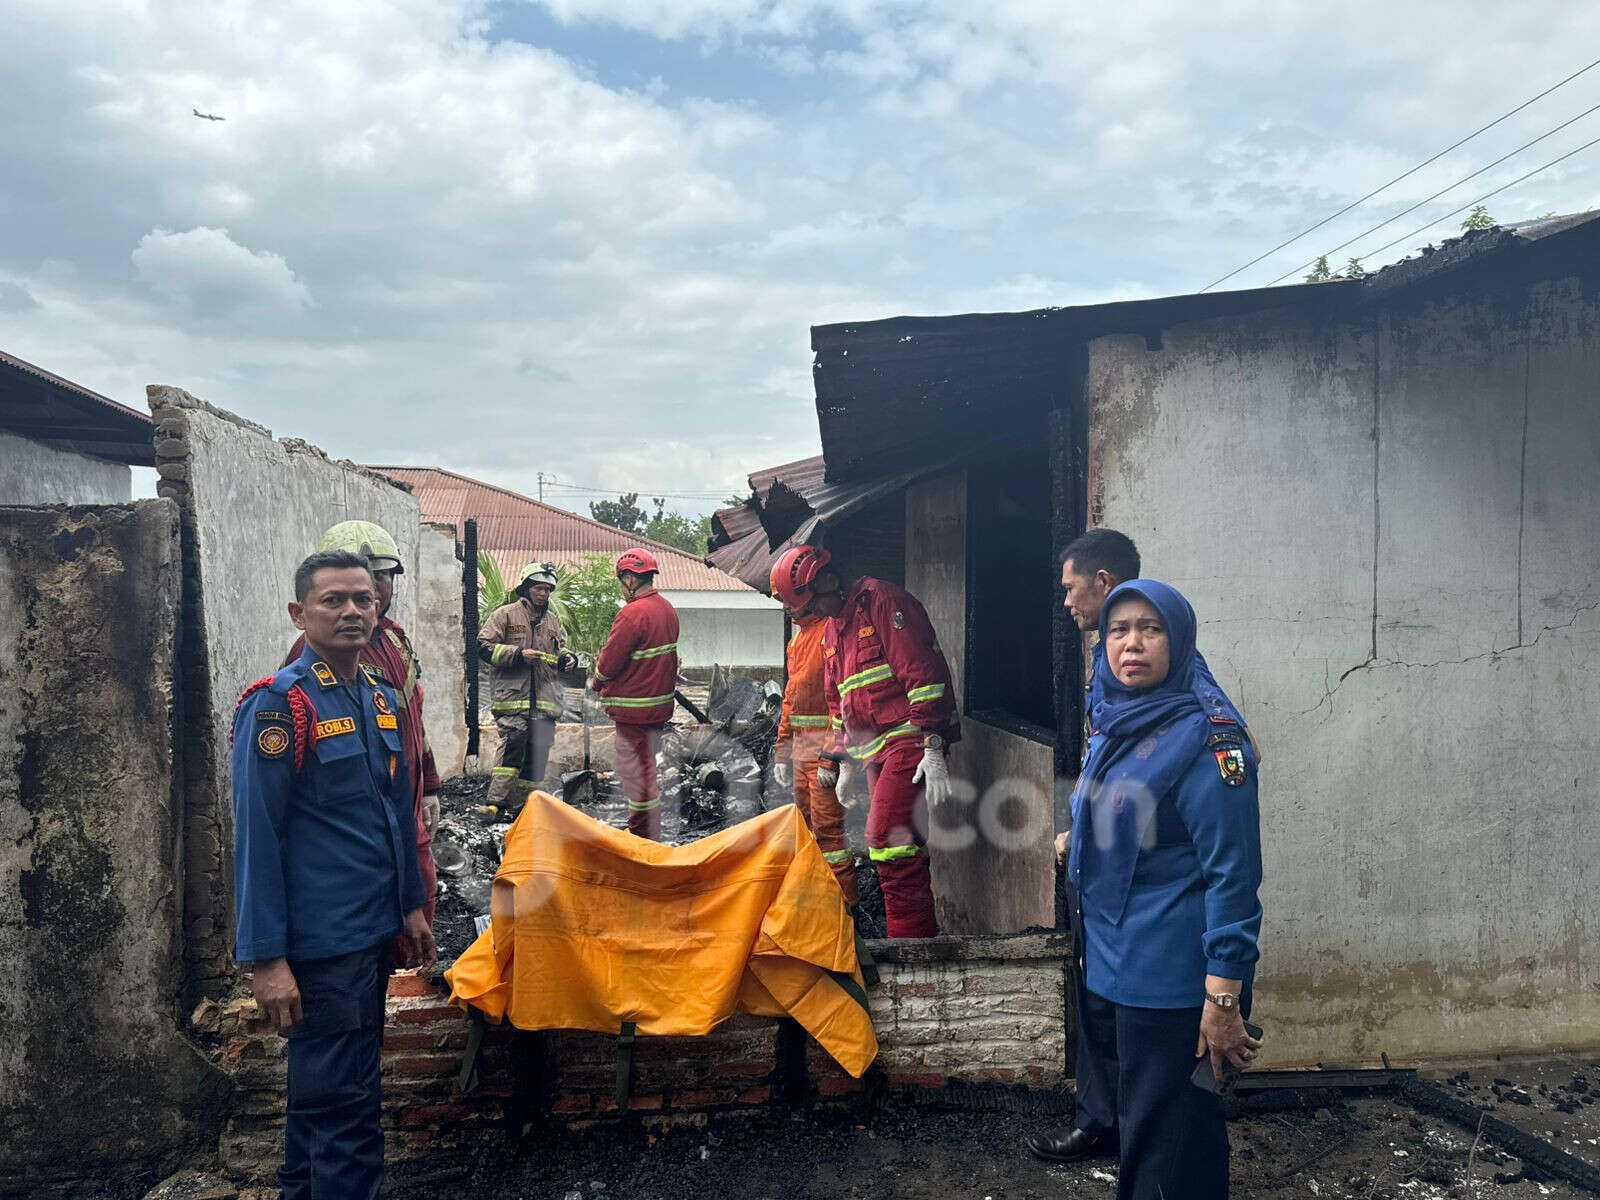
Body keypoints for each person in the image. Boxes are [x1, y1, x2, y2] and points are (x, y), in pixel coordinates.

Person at [1028, 580, 1263, 1198]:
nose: (1132, 644)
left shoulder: (1209, 743)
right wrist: (1077, 837)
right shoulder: (1114, 718)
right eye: (1119, 630)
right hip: (1112, 964)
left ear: (1179, 640)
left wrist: (1223, 1000)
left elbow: (1233, 875)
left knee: (1168, 1143)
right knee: (1151, 1133)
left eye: (1151, 629)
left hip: (1175, 980)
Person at [233, 550, 436, 1200]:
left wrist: (411, 905)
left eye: (363, 600)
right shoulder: (279, 708)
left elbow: (393, 814)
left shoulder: (379, 698)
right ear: (300, 613)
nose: (352, 611)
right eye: (333, 601)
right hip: (321, 949)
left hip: (371, 935)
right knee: (346, 1116)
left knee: (325, 1104)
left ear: (379, 611)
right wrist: (267, 959)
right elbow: (255, 838)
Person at [770, 544, 958, 939]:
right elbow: (838, 703)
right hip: (875, 750)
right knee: (897, 845)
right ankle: (911, 939)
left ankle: (911, 945)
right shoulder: (834, 628)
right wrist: (838, 759)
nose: (812, 613)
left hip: (910, 739)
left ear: (829, 580)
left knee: (888, 841)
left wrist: (933, 745)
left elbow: (923, 677)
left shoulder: (882, 602)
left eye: (810, 602)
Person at [285, 521, 442, 934]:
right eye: (369, 574)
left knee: (420, 899)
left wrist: (431, 786)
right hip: (356, 829)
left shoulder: (394, 640)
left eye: (384, 576)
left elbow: (412, 720)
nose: (377, 586)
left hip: (405, 809)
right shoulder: (314, 656)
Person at [769, 585, 858, 906]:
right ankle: (815, 905)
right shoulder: (798, 641)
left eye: (789, 601)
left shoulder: (830, 634)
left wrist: (832, 758)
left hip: (823, 752)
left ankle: (847, 911)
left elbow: (844, 701)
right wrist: (782, 752)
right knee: (804, 830)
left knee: (829, 835)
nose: (786, 608)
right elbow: (791, 702)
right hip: (801, 753)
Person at [588, 548, 679, 840]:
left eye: (621, 581)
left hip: (632, 711)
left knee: (635, 774)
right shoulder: (667, 609)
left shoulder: (632, 614)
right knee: (647, 768)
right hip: (658, 709)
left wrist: (597, 682)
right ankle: (647, 827)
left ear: (629, 578)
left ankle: (642, 834)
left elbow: (609, 662)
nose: (621, 587)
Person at [479, 561, 577, 810]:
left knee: (538, 753)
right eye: (538, 588)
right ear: (526, 588)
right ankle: (496, 803)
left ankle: (527, 806)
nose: (543, 594)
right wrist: (518, 654)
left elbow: (561, 648)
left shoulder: (553, 621)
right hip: (513, 699)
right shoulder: (505, 614)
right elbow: (483, 647)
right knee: (513, 747)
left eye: (547, 589)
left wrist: (568, 658)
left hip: (545, 701)